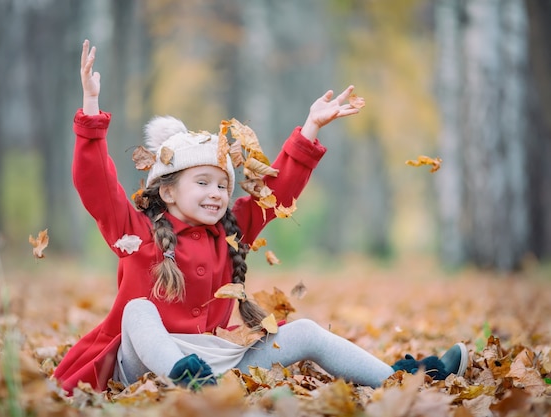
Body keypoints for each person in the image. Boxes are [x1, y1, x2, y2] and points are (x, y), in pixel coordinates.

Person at [53, 39, 468, 393]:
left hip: (215, 364)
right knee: (136, 311)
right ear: (167, 189)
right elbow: (95, 185)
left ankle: (405, 381)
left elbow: (275, 193)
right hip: (144, 364)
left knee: (305, 332)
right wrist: (91, 110)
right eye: (202, 182)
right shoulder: (136, 230)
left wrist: (309, 129)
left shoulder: (229, 232)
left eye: (221, 185)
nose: (216, 193)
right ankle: (186, 381)